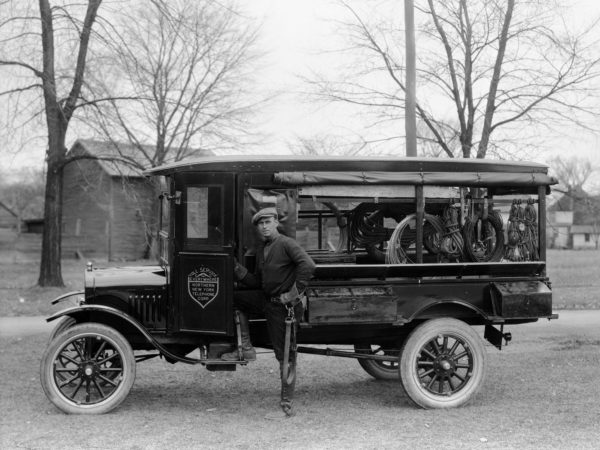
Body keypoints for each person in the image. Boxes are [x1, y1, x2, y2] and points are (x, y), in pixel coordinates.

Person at [221, 206, 316, 418]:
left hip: (284, 308)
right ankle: (244, 347)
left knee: (285, 354)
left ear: (276, 223)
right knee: (233, 299)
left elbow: (308, 266)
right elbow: (257, 282)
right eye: (260, 224)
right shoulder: (263, 249)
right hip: (267, 300)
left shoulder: (286, 244)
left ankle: (287, 400)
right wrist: (235, 268)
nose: (264, 227)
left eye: (267, 222)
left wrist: (292, 294)